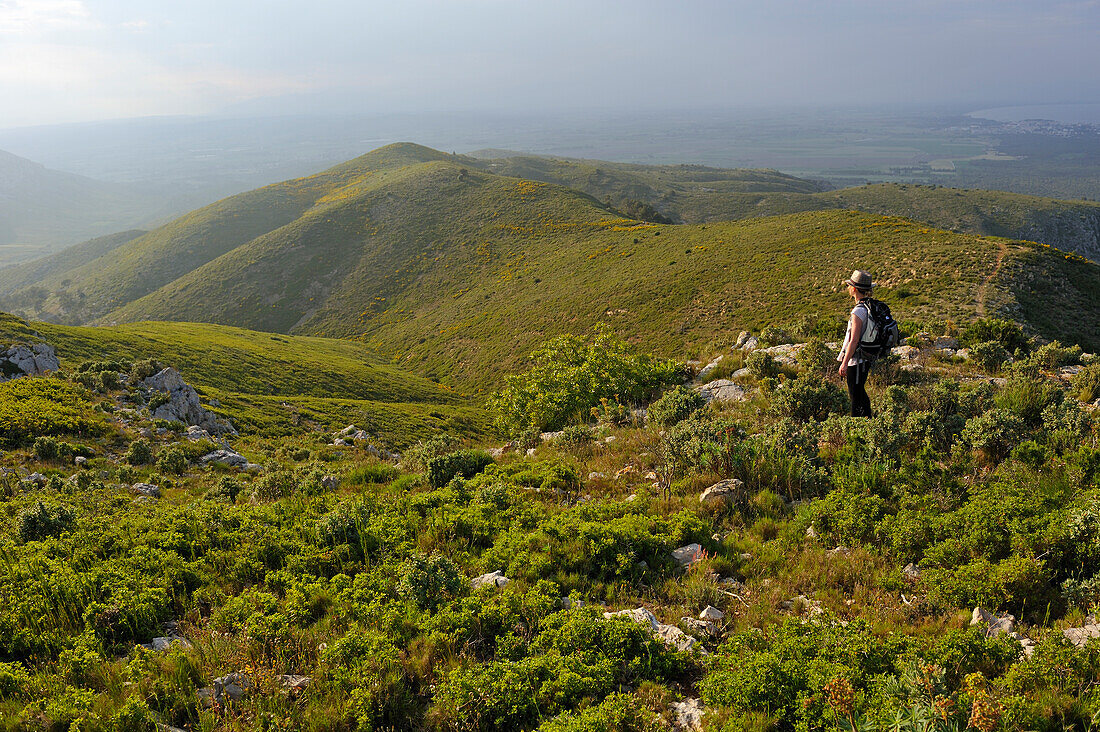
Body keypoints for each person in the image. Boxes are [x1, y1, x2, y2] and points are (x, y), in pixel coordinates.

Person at [837, 269, 875, 417]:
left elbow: (853, 340)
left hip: (856, 359)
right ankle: (868, 421)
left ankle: (857, 426)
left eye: (849, 286)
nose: (847, 288)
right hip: (865, 356)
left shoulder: (858, 312)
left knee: (855, 395)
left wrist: (844, 362)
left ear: (853, 289)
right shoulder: (868, 307)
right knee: (860, 392)